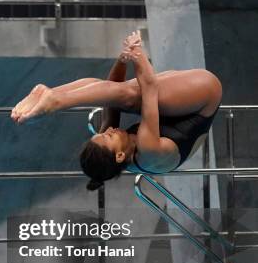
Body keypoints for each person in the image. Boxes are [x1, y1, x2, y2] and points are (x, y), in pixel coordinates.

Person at [11, 31, 222, 190]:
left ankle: (51, 94)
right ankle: (55, 101)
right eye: (107, 137)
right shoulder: (148, 151)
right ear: (120, 155)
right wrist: (137, 50)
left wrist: (122, 61)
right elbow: (149, 86)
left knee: (106, 89)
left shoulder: (115, 146)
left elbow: (109, 88)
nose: (108, 131)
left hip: (174, 107)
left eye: (101, 134)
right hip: (204, 96)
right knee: (131, 96)